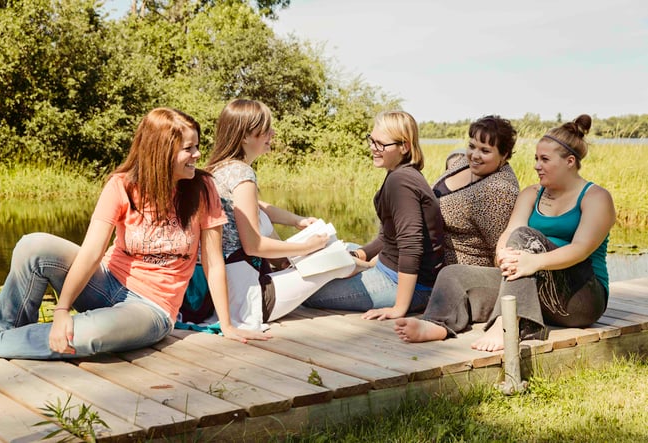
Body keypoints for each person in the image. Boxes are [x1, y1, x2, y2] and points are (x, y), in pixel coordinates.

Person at [0, 108, 268, 360]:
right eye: (189, 149)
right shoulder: (121, 185)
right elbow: (92, 251)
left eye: (197, 146)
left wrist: (227, 325)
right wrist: (61, 310)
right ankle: (8, 334)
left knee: (90, 334)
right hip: (106, 281)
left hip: (150, 307)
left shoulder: (203, 188)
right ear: (162, 152)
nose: (197, 155)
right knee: (33, 246)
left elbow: (214, 262)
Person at [394, 114, 615, 351]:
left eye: (544, 159)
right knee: (453, 274)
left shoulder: (596, 198)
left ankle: (506, 325)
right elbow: (508, 233)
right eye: (536, 158)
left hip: (581, 298)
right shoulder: (531, 194)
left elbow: (580, 249)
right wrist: (503, 254)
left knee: (524, 237)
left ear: (570, 161)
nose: (536, 166)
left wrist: (534, 262)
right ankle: (436, 323)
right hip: (537, 292)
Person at [204, 98, 354, 328]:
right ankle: (373, 270)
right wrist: (307, 247)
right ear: (245, 136)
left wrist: (297, 220)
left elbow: (258, 205)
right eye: (265, 129)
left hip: (229, 292)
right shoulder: (242, 174)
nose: (272, 133)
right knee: (339, 261)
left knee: (339, 253)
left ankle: (362, 260)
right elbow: (254, 246)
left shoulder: (218, 169)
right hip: (251, 299)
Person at [303, 110, 445, 321]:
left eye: (381, 144)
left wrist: (399, 308)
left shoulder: (402, 182)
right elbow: (388, 236)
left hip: (407, 285)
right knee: (334, 251)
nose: (372, 147)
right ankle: (360, 262)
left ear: (404, 146)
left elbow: (411, 245)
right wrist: (361, 254)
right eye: (372, 140)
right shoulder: (398, 173)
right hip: (386, 266)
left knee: (308, 294)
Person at [433, 116, 519, 266]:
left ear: (504, 155)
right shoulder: (466, 162)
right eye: (472, 146)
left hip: (455, 273)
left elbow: (499, 251)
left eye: (485, 151)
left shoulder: (500, 192)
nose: (475, 155)